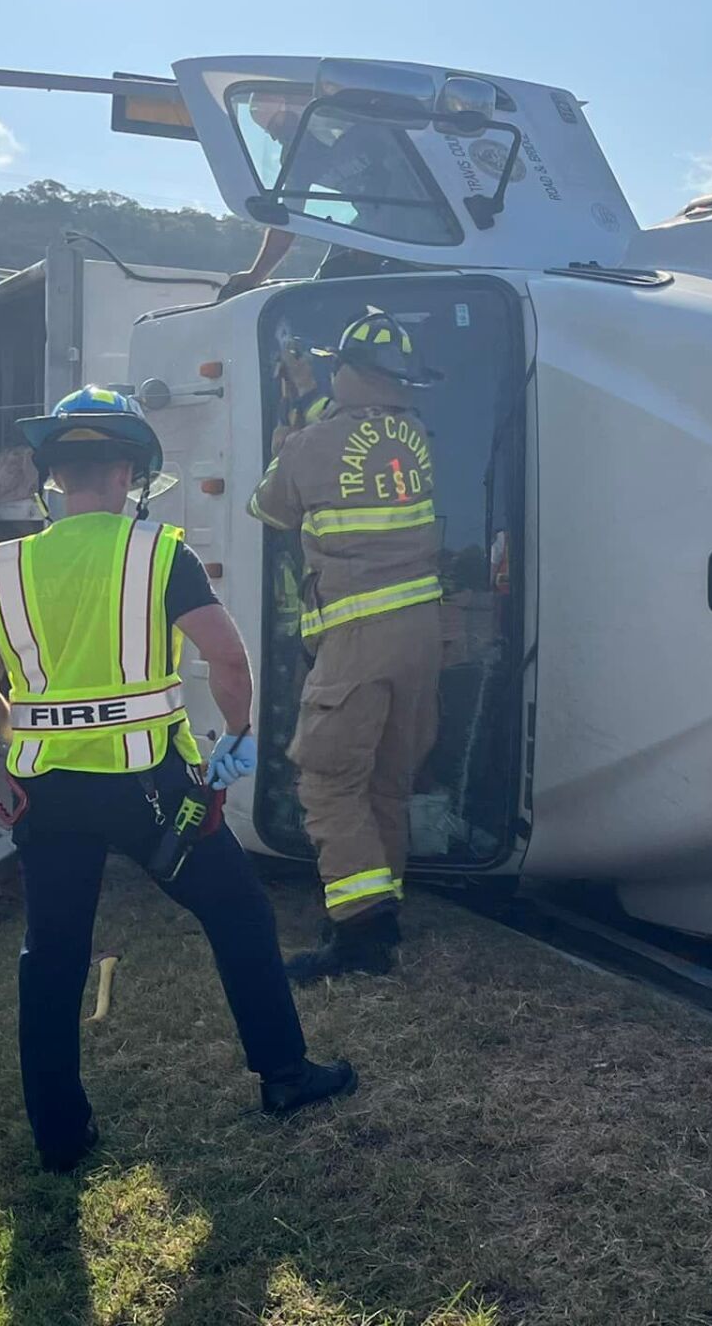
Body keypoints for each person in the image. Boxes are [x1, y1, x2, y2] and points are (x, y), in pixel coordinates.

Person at [0, 385, 356, 1173]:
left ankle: (60, 1136)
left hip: (49, 794)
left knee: (53, 953)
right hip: (153, 792)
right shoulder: (154, 551)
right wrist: (234, 744)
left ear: (56, 477)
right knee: (238, 914)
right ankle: (283, 1075)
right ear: (131, 473)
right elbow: (231, 661)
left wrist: (23, 746)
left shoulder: (2, 569)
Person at [248, 310, 444, 980]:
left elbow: (270, 509)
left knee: (329, 781)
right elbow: (355, 440)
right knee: (389, 780)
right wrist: (308, 400)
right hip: (422, 634)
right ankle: (384, 909)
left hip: (358, 638)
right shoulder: (414, 434)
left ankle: (359, 940)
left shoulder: (310, 447)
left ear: (350, 373)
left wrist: (288, 421)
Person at [218, 90, 428, 298]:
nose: (279, 139)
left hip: (423, 224)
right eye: (273, 133)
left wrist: (375, 244)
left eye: (279, 126)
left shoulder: (364, 123)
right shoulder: (298, 161)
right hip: (370, 226)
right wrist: (256, 276)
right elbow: (285, 220)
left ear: (299, 107)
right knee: (328, 280)